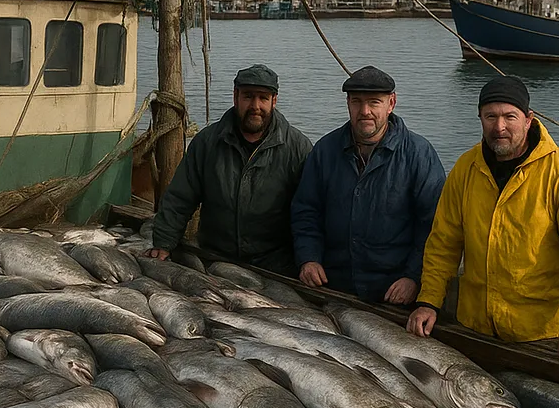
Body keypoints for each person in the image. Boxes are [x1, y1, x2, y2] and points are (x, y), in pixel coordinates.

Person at [407, 75, 559, 370]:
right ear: (480, 118)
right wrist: (429, 301)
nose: (499, 127)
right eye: (491, 116)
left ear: (528, 120)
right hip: (475, 326)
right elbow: (444, 242)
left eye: (509, 117)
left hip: (539, 332)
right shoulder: (466, 168)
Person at [290, 66, 445, 303]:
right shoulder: (325, 151)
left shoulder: (418, 154)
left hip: (393, 290)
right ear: (348, 103)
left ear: (391, 103)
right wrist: (308, 259)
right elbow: (306, 211)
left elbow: (434, 225)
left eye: (374, 102)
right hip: (333, 285)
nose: (365, 111)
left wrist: (413, 278)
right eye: (357, 102)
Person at [146, 64, 311, 275]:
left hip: (275, 263)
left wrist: (309, 258)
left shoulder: (297, 148)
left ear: (274, 101)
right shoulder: (207, 143)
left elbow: (309, 210)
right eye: (248, 97)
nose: (255, 106)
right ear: (235, 97)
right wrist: (164, 241)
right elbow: (181, 197)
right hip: (214, 257)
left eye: (263, 98)